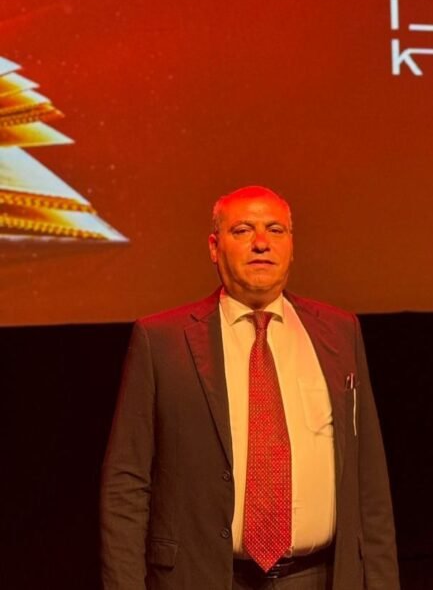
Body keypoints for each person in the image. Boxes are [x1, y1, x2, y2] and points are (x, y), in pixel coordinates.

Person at [101, 185, 400, 590]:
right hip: (205, 578)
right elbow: (126, 483)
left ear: (291, 246)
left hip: (319, 577)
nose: (261, 243)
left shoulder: (339, 331)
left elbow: (369, 481)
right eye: (243, 230)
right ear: (214, 247)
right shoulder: (161, 342)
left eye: (275, 230)